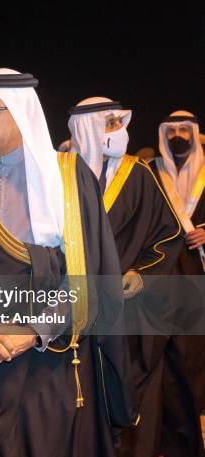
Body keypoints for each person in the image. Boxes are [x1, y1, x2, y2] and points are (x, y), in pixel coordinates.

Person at [0, 69, 136, 456]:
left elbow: (91, 277)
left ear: (22, 113)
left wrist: (33, 331)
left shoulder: (69, 179)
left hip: (50, 369)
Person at [68, 97, 183, 457]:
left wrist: (141, 271)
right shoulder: (62, 173)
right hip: (73, 308)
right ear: (87, 128)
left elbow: (169, 233)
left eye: (120, 123)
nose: (120, 132)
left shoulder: (139, 174)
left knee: (130, 391)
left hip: (126, 310)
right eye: (111, 124)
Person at [147, 110, 205, 457]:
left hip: (197, 276)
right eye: (173, 130)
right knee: (162, 356)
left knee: (193, 355)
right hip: (161, 277)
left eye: (185, 129)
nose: (178, 135)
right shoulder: (149, 172)